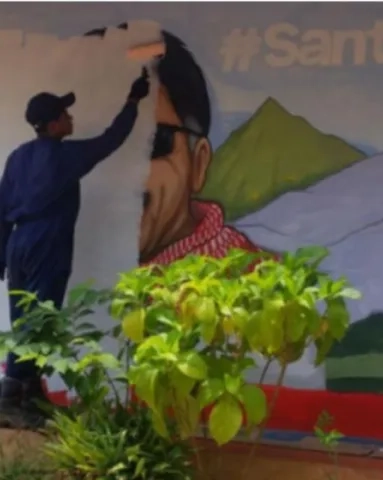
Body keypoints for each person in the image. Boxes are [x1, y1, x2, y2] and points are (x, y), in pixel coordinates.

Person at [0, 69, 151, 428]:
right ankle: (9, 398)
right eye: (65, 115)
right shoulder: (64, 157)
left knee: (24, 316)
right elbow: (111, 139)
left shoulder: (18, 157)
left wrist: (1, 254)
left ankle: (30, 393)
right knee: (41, 317)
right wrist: (133, 101)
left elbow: (2, 207)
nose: (71, 118)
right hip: (47, 240)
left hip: (18, 242)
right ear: (52, 125)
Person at [85, 25, 261, 265]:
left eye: (151, 142)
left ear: (198, 163)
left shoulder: (247, 286)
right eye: (87, 141)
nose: (119, 166)